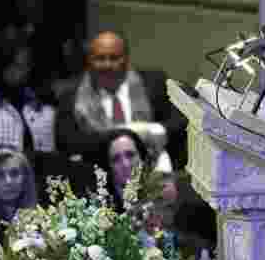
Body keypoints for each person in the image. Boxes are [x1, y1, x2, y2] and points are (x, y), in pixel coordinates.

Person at [56, 30, 186, 169]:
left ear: (126, 59)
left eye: (114, 58)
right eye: (100, 58)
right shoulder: (71, 96)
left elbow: (181, 120)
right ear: (89, 61)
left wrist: (155, 130)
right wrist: (125, 134)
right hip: (101, 177)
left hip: (152, 173)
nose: (107, 65)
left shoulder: (154, 82)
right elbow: (66, 142)